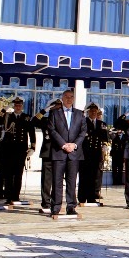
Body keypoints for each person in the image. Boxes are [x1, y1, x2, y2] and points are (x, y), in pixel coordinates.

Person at [48, 88, 86, 216]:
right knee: (57, 181)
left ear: (73, 99)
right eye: (66, 97)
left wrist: (74, 145)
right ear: (62, 98)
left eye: (71, 97)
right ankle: (56, 206)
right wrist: (64, 145)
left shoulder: (80, 114)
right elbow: (52, 130)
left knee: (71, 181)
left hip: (74, 153)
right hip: (59, 152)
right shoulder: (54, 113)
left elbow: (83, 132)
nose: (69, 99)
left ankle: (71, 206)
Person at [0, 96, 35, 205]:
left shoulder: (26, 117)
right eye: (15, 105)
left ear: (22, 106)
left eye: (19, 105)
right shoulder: (7, 116)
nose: (17, 107)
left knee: (18, 174)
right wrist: (5, 108)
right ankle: (8, 196)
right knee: (8, 174)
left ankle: (16, 196)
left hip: (21, 150)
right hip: (8, 149)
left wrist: (33, 147)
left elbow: (31, 133)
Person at [33, 99, 63, 213]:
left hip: (59, 152)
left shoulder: (63, 120)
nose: (57, 108)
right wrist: (45, 110)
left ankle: (56, 202)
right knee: (46, 180)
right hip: (47, 152)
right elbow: (33, 121)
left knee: (58, 180)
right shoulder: (45, 120)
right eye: (55, 106)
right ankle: (46, 203)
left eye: (59, 106)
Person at [78, 103, 109, 205]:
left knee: (94, 176)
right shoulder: (83, 122)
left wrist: (105, 145)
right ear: (88, 112)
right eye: (91, 111)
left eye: (95, 111)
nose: (93, 113)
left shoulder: (101, 124)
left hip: (96, 154)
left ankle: (92, 198)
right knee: (84, 176)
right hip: (85, 153)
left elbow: (105, 138)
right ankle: (82, 198)